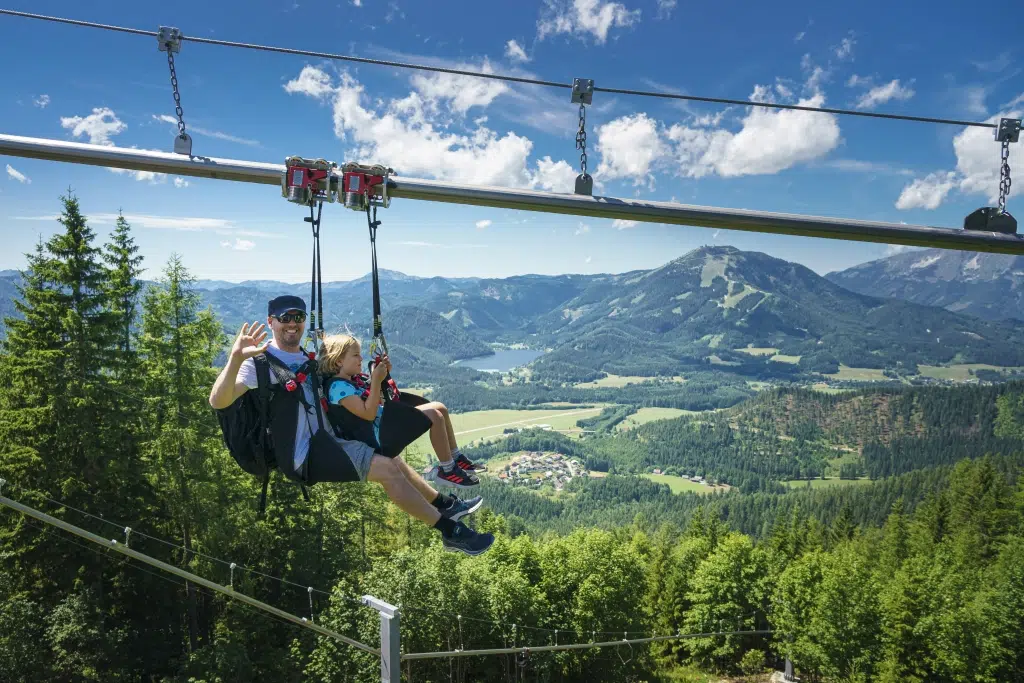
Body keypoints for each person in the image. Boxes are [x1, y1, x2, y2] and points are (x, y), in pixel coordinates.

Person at [208, 295, 493, 556]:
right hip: (303, 454)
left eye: (298, 317)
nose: (292, 324)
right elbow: (218, 401)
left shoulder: (306, 355)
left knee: (389, 457)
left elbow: (336, 370)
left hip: (330, 438)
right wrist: (234, 360)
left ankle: (443, 504)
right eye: (284, 318)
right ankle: (450, 531)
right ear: (271, 322)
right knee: (386, 470)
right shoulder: (258, 364)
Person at [317, 332, 486, 488]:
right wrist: (375, 380)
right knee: (433, 416)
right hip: (378, 438)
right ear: (339, 361)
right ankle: (447, 470)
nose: (361, 358)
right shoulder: (338, 388)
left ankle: (456, 458)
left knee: (440, 407)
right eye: (355, 355)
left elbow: (378, 400)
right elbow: (368, 414)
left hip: (384, 426)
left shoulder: (352, 381)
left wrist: (383, 377)